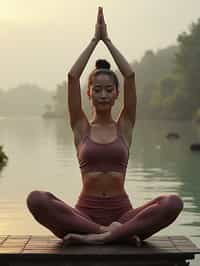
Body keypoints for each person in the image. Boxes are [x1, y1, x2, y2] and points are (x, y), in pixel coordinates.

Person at [26, 7, 183, 245]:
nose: (103, 95)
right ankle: (106, 233)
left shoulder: (125, 126)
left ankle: (99, 237)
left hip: (124, 215)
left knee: (173, 202)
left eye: (108, 90)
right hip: (83, 216)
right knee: (36, 199)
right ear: (88, 93)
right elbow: (72, 77)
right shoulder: (81, 127)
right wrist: (93, 40)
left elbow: (129, 76)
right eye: (97, 90)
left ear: (116, 94)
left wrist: (107, 40)